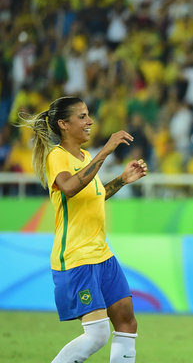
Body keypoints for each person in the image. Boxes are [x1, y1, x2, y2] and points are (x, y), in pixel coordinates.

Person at [18, 96, 148, 363]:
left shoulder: (85, 157)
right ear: (64, 124)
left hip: (102, 254)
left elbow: (94, 195)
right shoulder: (57, 156)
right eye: (82, 117)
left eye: (88, 115)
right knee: (98, 335)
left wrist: (122, 180)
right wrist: (106, 151)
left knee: (127, 323)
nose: (90, 121)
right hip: (76, 258)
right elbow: (69, 187)